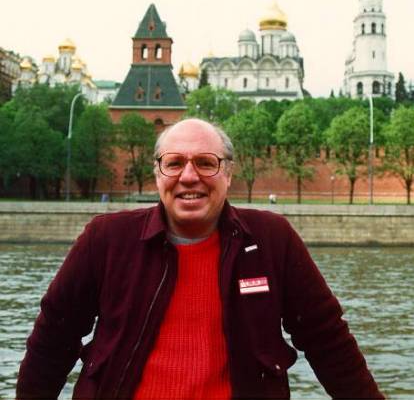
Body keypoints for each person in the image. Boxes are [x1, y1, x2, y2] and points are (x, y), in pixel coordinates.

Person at [16, 118, 385, 399]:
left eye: (206, 163)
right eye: (173, 163)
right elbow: (53, 337)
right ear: (157, 173)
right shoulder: (107, 239)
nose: (189, 177)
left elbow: (327, 340)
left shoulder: (271, 240)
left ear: (227, 172)